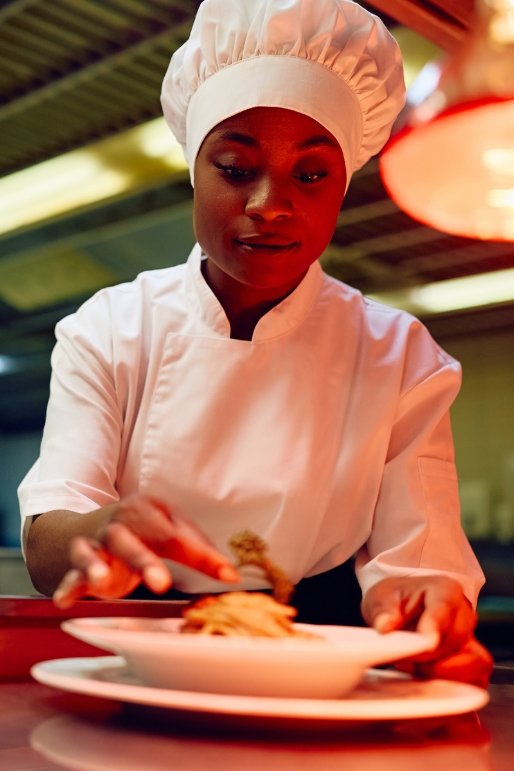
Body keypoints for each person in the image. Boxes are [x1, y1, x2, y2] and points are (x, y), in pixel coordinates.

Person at [18, 0, 492, 687]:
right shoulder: (112, 327)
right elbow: (47, 541)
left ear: (343, 186)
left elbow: (418, 561)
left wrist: (425, 608)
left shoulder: (398, 354)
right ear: (195, 169)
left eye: (311, 175)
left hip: (318, 651)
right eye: (237, 168)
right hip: (134, 645)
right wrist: (99, 533)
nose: (270, 204)